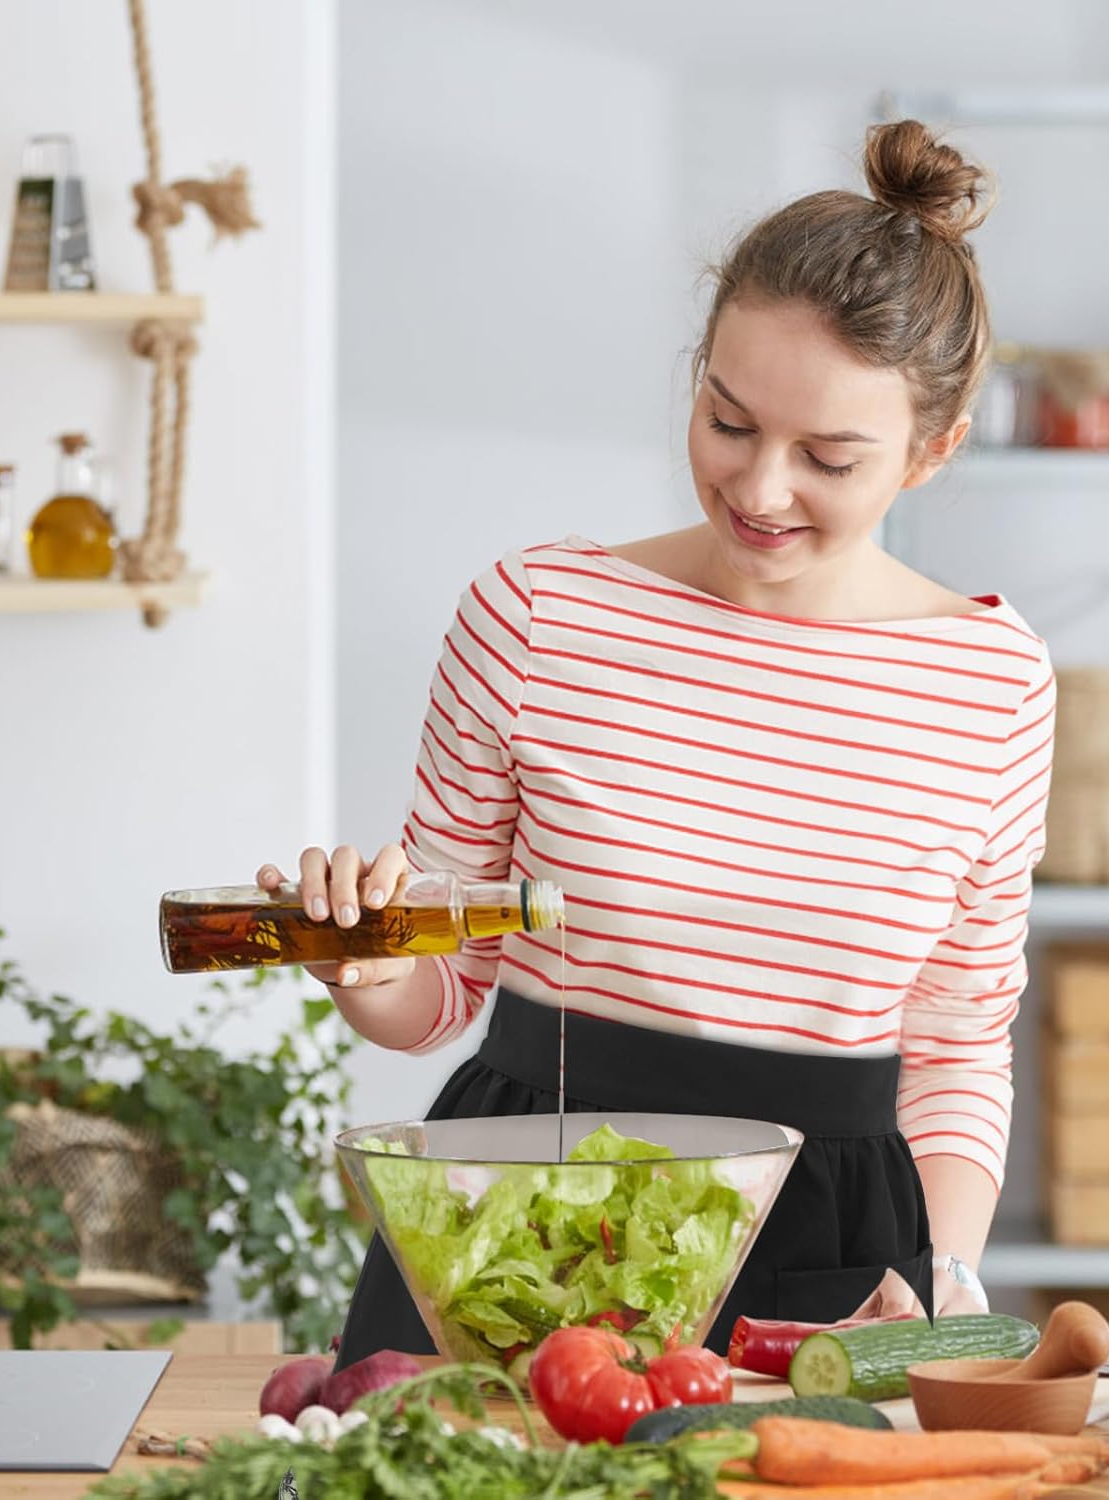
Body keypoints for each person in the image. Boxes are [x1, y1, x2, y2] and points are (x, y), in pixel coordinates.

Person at [258, 118, 1055, 1368]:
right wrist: (363, 965)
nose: (761, 489)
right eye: (728, 422)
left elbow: (957, 1030)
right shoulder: (534, 618)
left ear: (935, 449)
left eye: (830, 457)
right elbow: (441, 990)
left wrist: (946, 1272)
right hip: (524, 1202)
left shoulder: (991, 683)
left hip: (833, 1249)